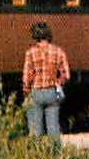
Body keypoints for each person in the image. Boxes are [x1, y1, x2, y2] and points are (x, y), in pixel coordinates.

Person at [21, 21, 71, 150]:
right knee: (53, 126)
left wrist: (26, 91)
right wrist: (58, 82)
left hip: (36, 91)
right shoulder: (58, 51)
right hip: (52, 91)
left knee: (35, 127)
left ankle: (36, 153)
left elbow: (27, 77)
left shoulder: (30, 53)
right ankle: (55, 152)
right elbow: (66, 74)